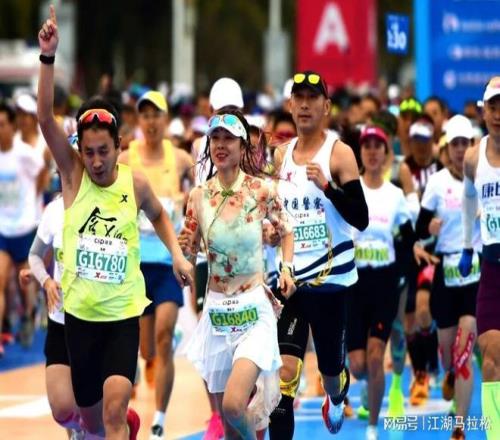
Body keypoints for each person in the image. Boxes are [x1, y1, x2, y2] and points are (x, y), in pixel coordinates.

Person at [37, 7, 193, 439]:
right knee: (91, 424)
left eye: (103, 151)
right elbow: (45, 119)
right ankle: (121, 427)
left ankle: (121, 421)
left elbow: (159, 215)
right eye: (88, 152)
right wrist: (48, 57)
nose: (96, 161)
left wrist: (178, 255)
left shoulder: (134, 182)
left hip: (123, 315)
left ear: (119, 145)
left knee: (113, 410)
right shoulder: (73, 176)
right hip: (80, 317)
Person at [182, 109, 295, 439]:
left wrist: (286, 269)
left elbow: (286, 230)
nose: (220, 145)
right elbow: (189, 248)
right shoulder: (198, 196)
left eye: (228, 139)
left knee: (234, 406)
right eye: (215, 138)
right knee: (231, 427)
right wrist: (184, 255)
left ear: (243, 146)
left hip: (254, 313)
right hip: (217, 315)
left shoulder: (261, 190)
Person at [269, 71, 369, 438]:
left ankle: (336, 395)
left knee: (330, 375)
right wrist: (270, 232)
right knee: (284, 375)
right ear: (290, 105)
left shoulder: (339, 154)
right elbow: (274, 215)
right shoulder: (279, 156)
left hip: (330, 283)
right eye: (299, 98)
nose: (305, 105)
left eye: (313, 98)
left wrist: (328, 187)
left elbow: (361, 218)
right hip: (291, 281)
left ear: (326, 106)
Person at [347, 126, 432, 440]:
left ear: (386, 154)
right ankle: (364, 384)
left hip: (384, 283)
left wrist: (415, 248)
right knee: (358, 366)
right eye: (367, 146)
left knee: (375, 356)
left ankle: (372, 427)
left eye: (377, 146)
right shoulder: (350, 190)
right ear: (361, 152)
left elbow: (407, 236)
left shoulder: (395, 196)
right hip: (354, 284)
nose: (372, 151)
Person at [118, 89, 194, 440]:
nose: (150, 122)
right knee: (147, 348)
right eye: (145, 115)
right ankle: (151, 354)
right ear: (139, 120)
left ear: (166, 120)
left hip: (166, 262)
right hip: (134, 264)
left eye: (156, 115)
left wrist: (187, 201)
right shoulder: (126, 157)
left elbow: (202, 183)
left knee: (163, 338)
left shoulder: (179, 158)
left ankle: (160, 418)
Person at [416, 114, 480, 440]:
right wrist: (429, 228)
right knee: (447, 352)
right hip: (445, 273)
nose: (459, 149)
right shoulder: (437, 183)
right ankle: (449, 372)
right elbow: (419, 228)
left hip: (476, 274)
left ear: (472, 145)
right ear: (446, 148)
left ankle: (460, 426)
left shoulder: (485, 176)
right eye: (454, 144)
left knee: (465, 346)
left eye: (464, 143)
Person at [19, 191, 85, 439]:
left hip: (97, 322)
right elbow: (39, 252)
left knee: (95, 408)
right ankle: (82, 430)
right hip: (61, 319)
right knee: (62, 408)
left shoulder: (106, 202)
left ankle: (113, 425)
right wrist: (44, 279)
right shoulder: (54, 210)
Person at [459, 77, 500, 440]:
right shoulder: (473, 158)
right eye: (493, 107)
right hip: (492, 268)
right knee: (490, 357)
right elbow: (468, 200)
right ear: (483, 111)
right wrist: (467, 247)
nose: (499, 114)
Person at [0, 101, 44, 355]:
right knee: (1, 279)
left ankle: (28, 315)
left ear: (11, 126)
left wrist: (33, 197)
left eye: (2, 124)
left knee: (25, 282)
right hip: (3, 230)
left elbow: (42, 172)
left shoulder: (24, 153)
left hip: (25, 227)